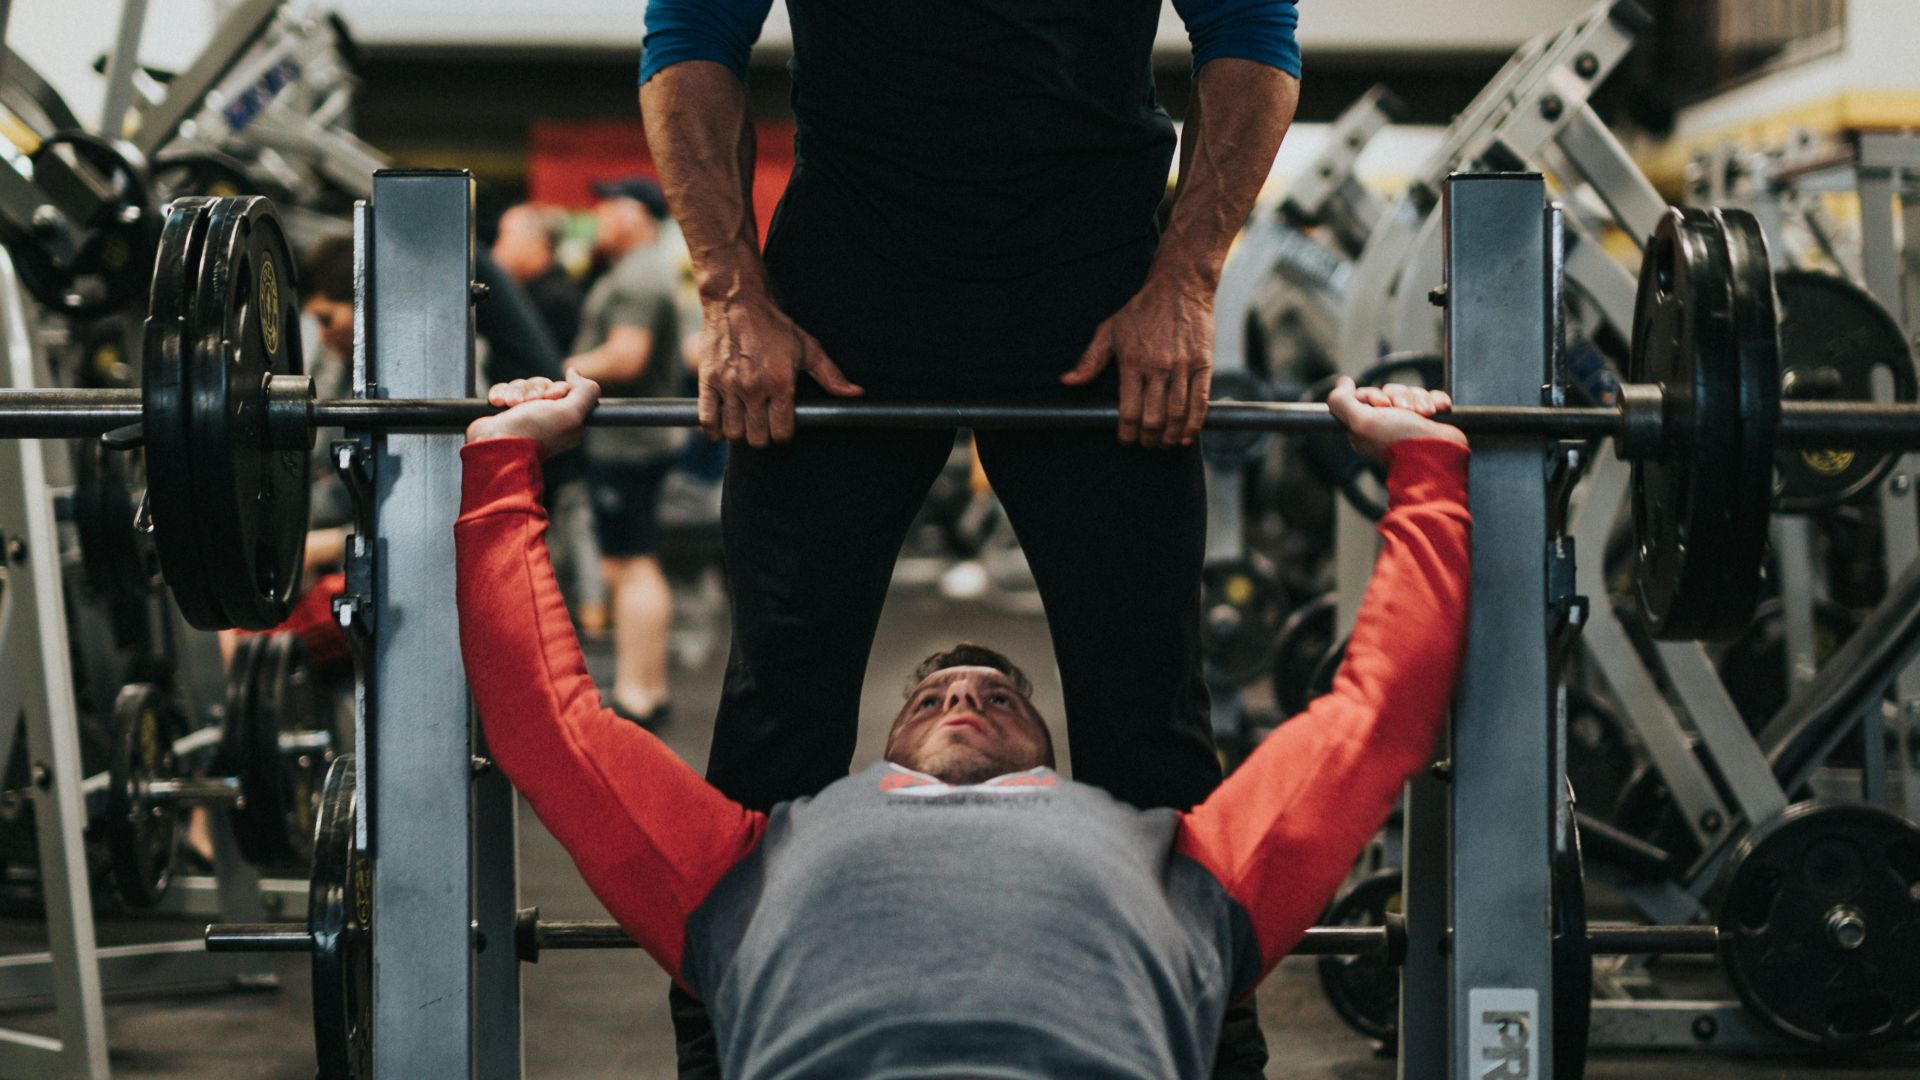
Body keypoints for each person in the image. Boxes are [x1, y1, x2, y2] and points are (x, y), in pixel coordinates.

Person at [456, 370, 1468, 1079]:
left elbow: (1373, 719)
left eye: (998, 697)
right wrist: (502, 463)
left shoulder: (1180, 863)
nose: (965, 700)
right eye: (936, 697)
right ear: (878, 756)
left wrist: (1428, 469)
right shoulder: (747, 864)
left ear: (1060, 770)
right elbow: (551, 726)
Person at [640, 3, 1301, 1068]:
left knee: (1150, 714)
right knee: (777, 710)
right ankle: (730, 1053)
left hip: (1093, 286)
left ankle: (1200, 1054)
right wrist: (731, 293)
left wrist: (1185, 282)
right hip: (846, 287)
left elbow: (1255, 33)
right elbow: (688, 38)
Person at [563, 177, 688, 723]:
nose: (600, 218)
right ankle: (643, 688)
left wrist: (557, 376)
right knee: (627, 564)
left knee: (631, 565)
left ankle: (641, 695)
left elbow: (627, 355)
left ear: (637, 215)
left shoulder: (639, 276)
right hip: (630, 443)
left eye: (609, 207)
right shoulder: (638, 270)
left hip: (631, 445)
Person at [492, 203, 584, 362]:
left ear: (535, 244)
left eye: (503, 236)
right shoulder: (529, 290)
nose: (495, 250)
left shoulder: (556, 298)